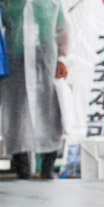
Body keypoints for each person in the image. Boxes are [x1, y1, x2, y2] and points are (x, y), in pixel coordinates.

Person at [0, 0, 69, 179]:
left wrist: (63, 58)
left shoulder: (52, 2)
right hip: (15, 60)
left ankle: (48, 165)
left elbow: (63, 28)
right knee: (16, 113)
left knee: (49, 110)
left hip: (46, 59)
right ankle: (21, 166)